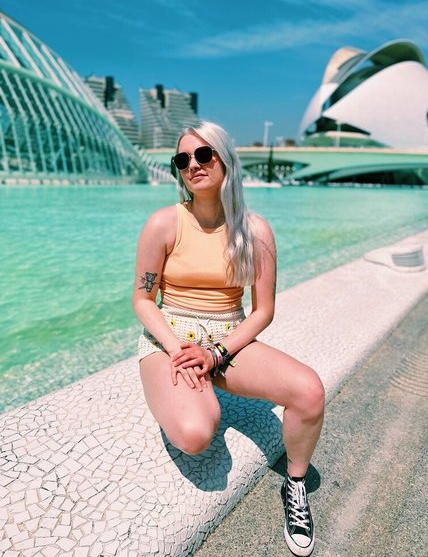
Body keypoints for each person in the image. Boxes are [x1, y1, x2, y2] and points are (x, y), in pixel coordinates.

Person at [133, 121, 325, 556]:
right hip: (171, 339)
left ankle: (295, 486)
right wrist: (178, 350)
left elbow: (263, 311)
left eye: (204, 155)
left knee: (309, 391)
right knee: (195, 433)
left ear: (226, 160)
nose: (193, 165)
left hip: (226, 338)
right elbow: (143, 299)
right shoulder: (163, 223)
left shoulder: (255, 231)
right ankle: (179, 392)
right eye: (182, 159)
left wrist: (217, 353)